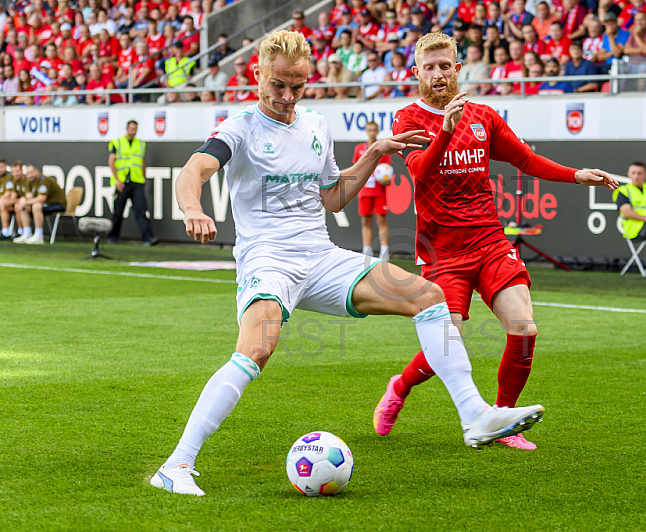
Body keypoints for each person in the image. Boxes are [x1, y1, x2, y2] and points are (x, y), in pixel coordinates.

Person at [150, 30, 547, 496]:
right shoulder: (240, 128)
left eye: (297, 85)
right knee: (256, 349)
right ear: (257, 73)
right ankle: (176, 464)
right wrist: (193, 209)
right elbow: (193, 169)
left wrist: (374, 154)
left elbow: (334, 198)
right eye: (278, 84)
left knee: (428, 296)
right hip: (268, 260)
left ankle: (475, 414)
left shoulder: (316, 125)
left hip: (320, 256)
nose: (287, 95)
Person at [376, 32, 617, 450]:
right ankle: (400, 386)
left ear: (456, 69)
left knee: (524, 327)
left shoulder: (483, 116)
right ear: (416, 73)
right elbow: (421, 173)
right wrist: (446, 131)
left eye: (444, 66)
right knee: (446, 345)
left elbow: (524, 158)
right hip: (442, 251)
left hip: (489, 238)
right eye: (429, 67)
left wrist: (575, 174)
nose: (437, 74)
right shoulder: (408, 120)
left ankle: (504, 418)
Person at [108, 120, 158, 246]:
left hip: (137, 182)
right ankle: (112, 237)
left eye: (135, 129)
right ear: (126, 128)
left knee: (141, 210)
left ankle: (148, 238)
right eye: (131, 129)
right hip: (122, 182)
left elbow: (142, 161)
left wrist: (143, 177)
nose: (133, 132)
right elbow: (111, 161)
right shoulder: (117, 142)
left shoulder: (140, 144)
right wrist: (117, 180)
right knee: (118, 211)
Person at [355, 121, 392, 261]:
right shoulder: (359, 148)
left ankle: (384, 252)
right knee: (365, 221)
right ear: (366, 131)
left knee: (381, 220)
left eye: (374, 130)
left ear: (378, 131)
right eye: (369, 130)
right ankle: (366, 251)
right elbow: (356, 169)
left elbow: (388, 171)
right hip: (364, 191)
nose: (372, 133)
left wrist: (386, 180)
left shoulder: (383, 148)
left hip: (379, 191)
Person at [12, 164, 66, 245]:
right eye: (28, 173)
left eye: (31, 173)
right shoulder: (29, 181)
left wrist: (26, 201)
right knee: (23, 206)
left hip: (57, 204)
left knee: (36, 206)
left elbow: (41, 198)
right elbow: (28, 195)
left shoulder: (44, 180)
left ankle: (39, 235)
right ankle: (27, 233)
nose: (30, 175)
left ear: (37, 171)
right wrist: (24, 201)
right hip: (45, 204)